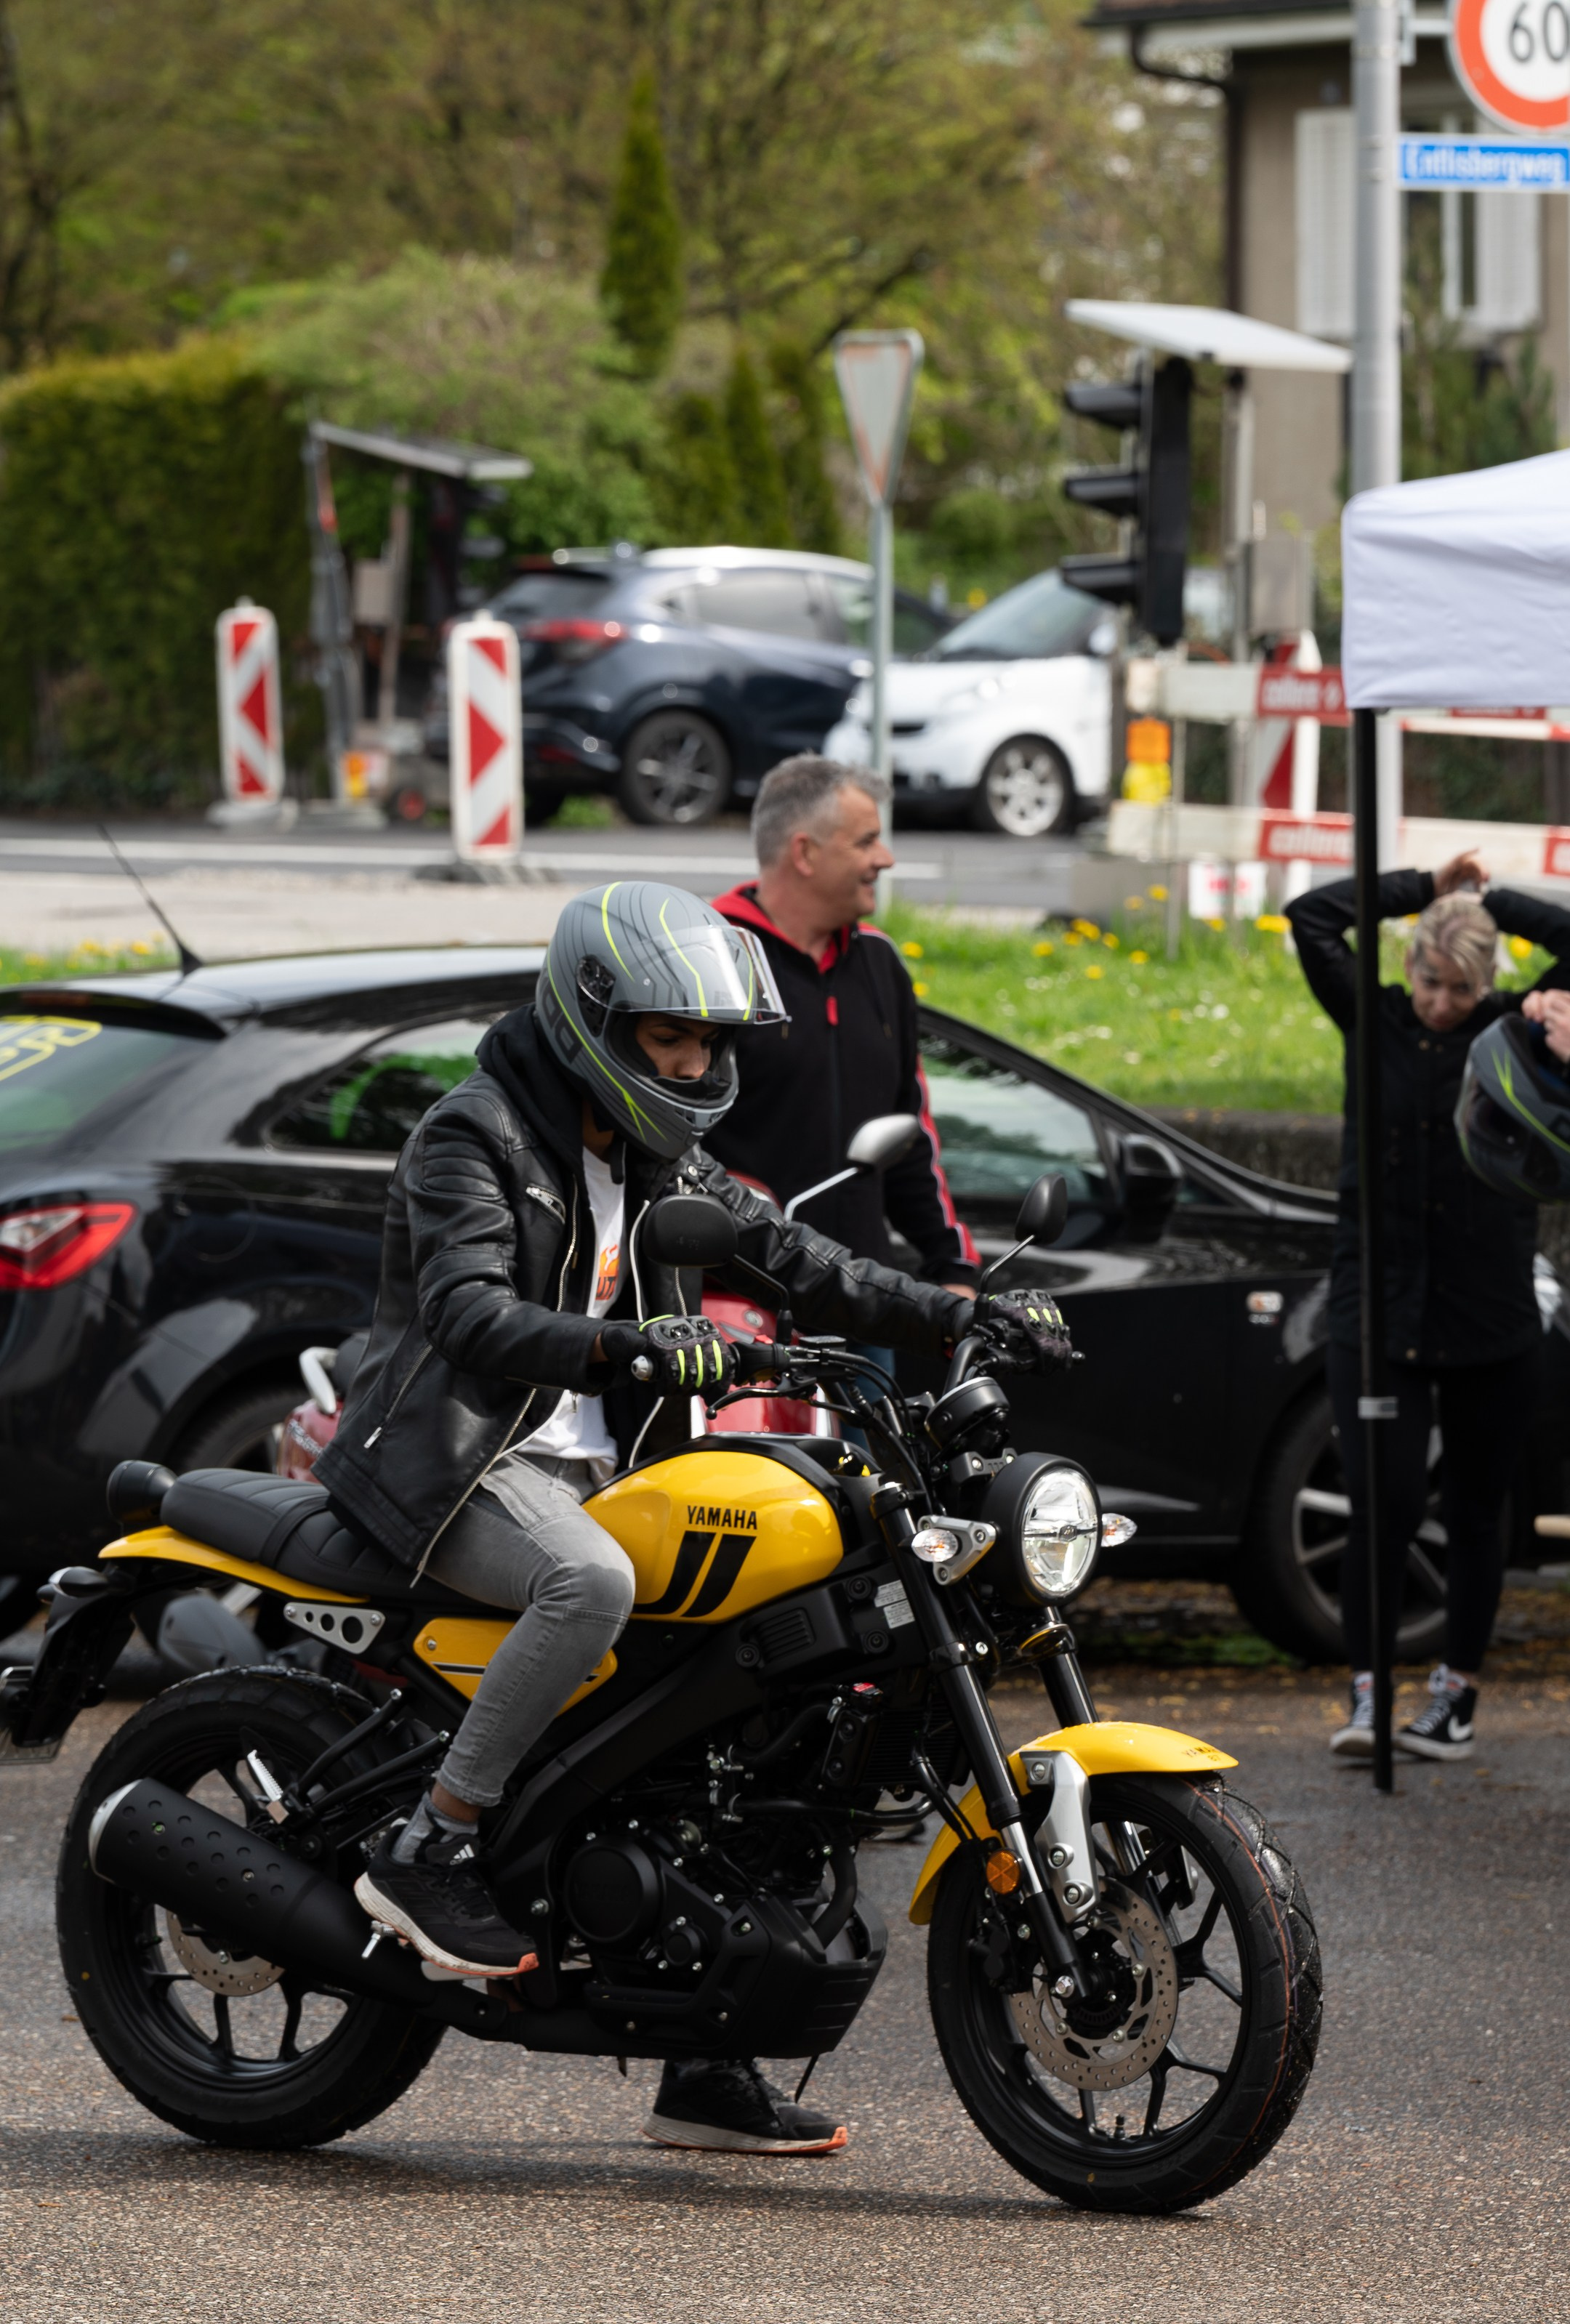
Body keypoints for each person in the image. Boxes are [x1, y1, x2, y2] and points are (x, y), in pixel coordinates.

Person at [318, 881, 1063, 2155]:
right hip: (466, 1466)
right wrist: (633, 1349)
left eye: (712, 1042)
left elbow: (792, 1253)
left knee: (752, 1697)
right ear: (592, 1021)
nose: (700, 1062)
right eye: (675, 1039)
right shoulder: (473, 1135)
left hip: (608, 1473)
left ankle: (704, 2060)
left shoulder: (658, 1148)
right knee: (589, 1587)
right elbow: (467, 1315)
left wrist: (957, 1310)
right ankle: (430, 1845)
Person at [1288, 854, 1570, 1762]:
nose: (1437, 1001)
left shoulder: (1510, 1030)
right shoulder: (1369, 1014)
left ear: (1487, 983)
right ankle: (1369, 1695)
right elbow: (1310, 916)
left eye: (1456, 987)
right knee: (1386, 1502)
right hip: (1379, 1311)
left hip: (1490, 1312)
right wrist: (1425, 886)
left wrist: (1495, 903)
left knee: (1481, 1509)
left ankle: (1454, 1698)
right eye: (1425, 979)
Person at [709, 756, 979, 1330]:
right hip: (740, 1311)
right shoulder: (712, 960)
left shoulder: (879, 963)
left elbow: (908, 1131)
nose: (886, 859)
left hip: (863, 1303)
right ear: (805, 853)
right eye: (867, 842)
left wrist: (953, 1266)